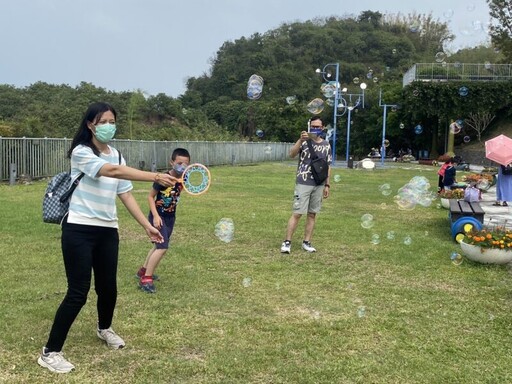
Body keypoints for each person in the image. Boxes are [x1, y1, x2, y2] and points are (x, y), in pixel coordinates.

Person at [38, 102, 176, 374]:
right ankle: (50, 352)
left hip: (107, 231)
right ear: (90, 124)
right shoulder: (81, 152)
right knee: (77, 293)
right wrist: (156, 176)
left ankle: (104, 328)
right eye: (103, 121)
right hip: (79, 229)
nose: (109, 126)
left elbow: (124, 192)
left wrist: (145, 226)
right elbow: (111, 172)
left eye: (112, 120)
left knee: (108, 288)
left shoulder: (117, 154)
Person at [136, 148, 191, 293]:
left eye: (186, 164)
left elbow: (178, 192)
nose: (182, 166)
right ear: (171, 162)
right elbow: (150, 197)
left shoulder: (184, 177)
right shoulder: (162, 178)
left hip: (170, 217)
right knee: (162, 247)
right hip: (158, 217)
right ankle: (146, 279)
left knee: (157, 246)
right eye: (179, 163)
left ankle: (143, 271)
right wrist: (155, 216)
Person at [280, 116, 331, 254]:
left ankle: (306, 242)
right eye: (313, 126)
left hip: (319, 183)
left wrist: (327, 185)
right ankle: (287, 242)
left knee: (312, 214)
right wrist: (300, 140)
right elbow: (291, 154)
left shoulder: (326, 144)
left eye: (318, 127)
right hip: (304, 182)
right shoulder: (304, 141)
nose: (315, 129)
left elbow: (327, 166)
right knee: (297, 213)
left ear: (323, 127)